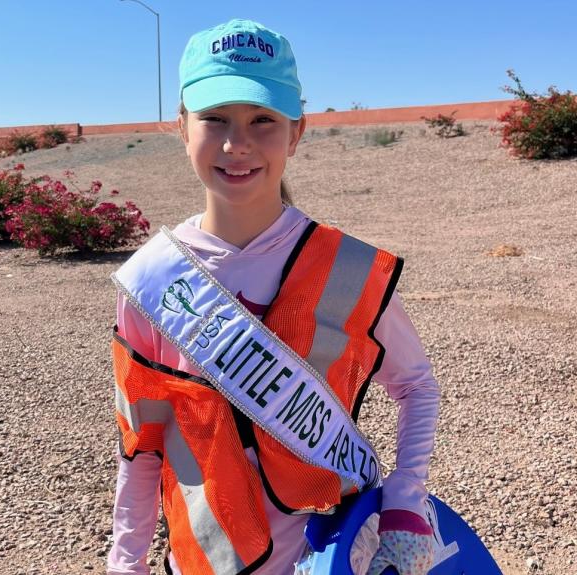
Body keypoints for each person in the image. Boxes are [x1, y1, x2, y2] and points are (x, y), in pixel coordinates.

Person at [107, 18, 440, 575]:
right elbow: (141, 442)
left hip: (330, 553)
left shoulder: (348, 268)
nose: (237, 144)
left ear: (297, 132)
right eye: (215, 119)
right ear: (181, 127)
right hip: (200, 559)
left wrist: (406, 501)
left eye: (263, 119)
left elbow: (417, 386)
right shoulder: (149, 281)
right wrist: (126, 561)